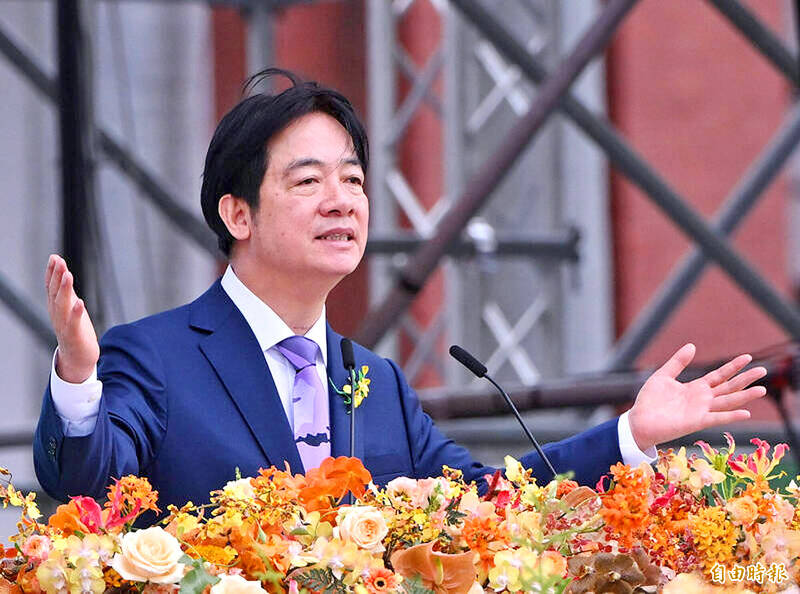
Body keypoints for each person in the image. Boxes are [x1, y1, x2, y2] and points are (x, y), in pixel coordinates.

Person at [33, 69, 767, 512]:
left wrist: (631, 436)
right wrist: (77, 377)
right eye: (308, 181)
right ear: (238, 214)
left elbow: (485, 500)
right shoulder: (156, 357)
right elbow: (86, 482)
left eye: (353, 180)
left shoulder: (375, 382)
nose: (342, 201)